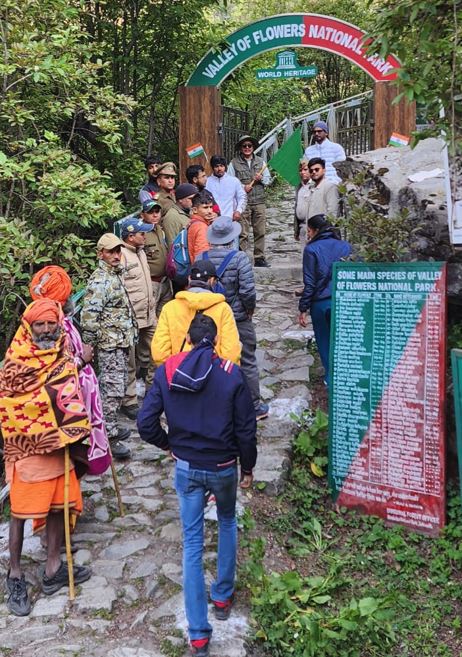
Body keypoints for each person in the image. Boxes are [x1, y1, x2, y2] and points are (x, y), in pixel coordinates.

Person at [138, 314, 257, 657]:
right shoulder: (231, 375)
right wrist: (247, 467)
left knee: (191, 545)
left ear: (187, 340)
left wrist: (167, 445)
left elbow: (145, 423)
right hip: (222, 467)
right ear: (217, 342)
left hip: (187, 468)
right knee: (227, 520)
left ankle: (199, 636)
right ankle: (222, 596)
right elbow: (246, 430)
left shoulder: (168, 371)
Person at [0, 299, 92, 616]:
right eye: (40, 324)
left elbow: (67, 391)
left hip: (59, 448)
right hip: (28, 451)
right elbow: (15, 402)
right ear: (28, 327)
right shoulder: (15, 360)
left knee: (58, 507)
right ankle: (15, 575)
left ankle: (53, 568)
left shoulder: (61, 352)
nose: (46, 329)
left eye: (51, 324)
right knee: (20, 513)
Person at [29, 266, 111, 475]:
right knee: (71, 451)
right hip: (66, 401)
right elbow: (52, 369)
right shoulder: (50, 327)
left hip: (77, 394)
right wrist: (82, 360)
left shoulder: (59, 321)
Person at [198, 216, 269, 421]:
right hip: (237, 317)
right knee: (246, 359)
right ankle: (254, 405)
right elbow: (247, 291)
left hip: (208, 320)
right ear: (232, 237)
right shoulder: (239, 258)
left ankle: (216, 404)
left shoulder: (201, 257)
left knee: (212, 360)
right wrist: (249, 310)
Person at [81, 233, 138, 459]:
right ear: (100, 254)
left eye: (117, 251)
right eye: (110, 252)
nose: (116, 256)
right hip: (109, 345)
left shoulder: (113, 275)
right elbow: (89, 316)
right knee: (111, 390)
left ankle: (110, 426)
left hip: (119, 341)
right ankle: (108, 436)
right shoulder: (100, 281)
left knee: (118, 386)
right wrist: (89, 345)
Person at [151, 259, 241, 367]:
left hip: (178, 375)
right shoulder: (223, 309)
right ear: (212, 281)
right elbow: (231, 353)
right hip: (212, 375)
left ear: (189, 279)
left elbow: (159, 352)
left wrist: (173, 370)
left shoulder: (170, 308)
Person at [298, 215, 352, 385]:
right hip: (344, 300)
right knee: (345, 339)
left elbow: (310, 282)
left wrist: (303, 308)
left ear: (314, 231)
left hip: (320, 303)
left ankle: (331, 379)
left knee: (324, 341)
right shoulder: (346, 247)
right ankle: (348, 375)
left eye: (308, 231)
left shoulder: (311, 249)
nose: (308, 234)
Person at [120, 217, 157, 417]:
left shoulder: (141, 252)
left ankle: (154, 391)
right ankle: (130, 400)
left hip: (149, 314)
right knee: (130, 361)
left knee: (158, 350)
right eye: (142, 233)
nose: (145, 236)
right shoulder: (122, 256)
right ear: (131, 237)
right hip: (130, 316)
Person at [228, 135, 271, 267]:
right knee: (243, 232)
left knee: (260, 231)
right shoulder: (233, 163)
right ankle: (243, 258)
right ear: (240, 148)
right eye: (244, 146)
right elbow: (230, 182)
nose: (247, 148)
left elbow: (268, 181)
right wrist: (242, 187)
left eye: (249, 146)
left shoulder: (261, 162)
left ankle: (259, 257)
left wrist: (261, 178)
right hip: (243, 203)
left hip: (259, 201)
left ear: (253, 147)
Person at [141, 199, 174, 317]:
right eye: (151, 212)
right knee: (151, 319)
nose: (155, 215)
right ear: (142, 215)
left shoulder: (160, 229)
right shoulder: (140, 233)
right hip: (151, 283)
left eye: (157, 211)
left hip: (165, 281)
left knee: (165, 317)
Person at [205, 155, 246, 229]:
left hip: (230, 220)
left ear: (225, 167)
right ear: (213, 168)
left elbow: (242, 197)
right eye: (216, 166)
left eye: (221, 166)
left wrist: (238, 211)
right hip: (211, 221)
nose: (219, 169)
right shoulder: (207, 182)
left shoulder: (234, 181)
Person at [162, 183, 198, 248]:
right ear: (180, 199)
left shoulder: (190, 211)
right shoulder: (172, 217)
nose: (195, 201)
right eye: (191, 199)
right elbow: (172, 246)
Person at [188, 190, 215, 264]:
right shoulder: (201, 227)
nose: (210, 211)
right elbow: (202, 255)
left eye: (211, 207)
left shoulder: (193, 223)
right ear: (195, 210)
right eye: (205, 208)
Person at [294, 159, 313, 255]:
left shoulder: (313, 186)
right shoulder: (299, 187)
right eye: (301, 170)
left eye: (305, 170)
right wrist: (296, 230)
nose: (303, 172)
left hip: (311, 226)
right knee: (304, 254)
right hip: (302, 226)